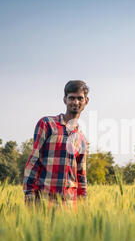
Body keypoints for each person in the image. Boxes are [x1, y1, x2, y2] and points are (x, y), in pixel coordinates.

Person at [23, 80, 89, 209]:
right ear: (65, 100)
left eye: (80, 98)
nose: (76, 102)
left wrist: (84, 203)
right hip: (44, 201)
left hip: (70, 205)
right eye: (72, 98)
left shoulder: (81, 138)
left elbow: (81, 175)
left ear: (86, 101)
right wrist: (29, 195)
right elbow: (34, 160)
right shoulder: (47, 124)